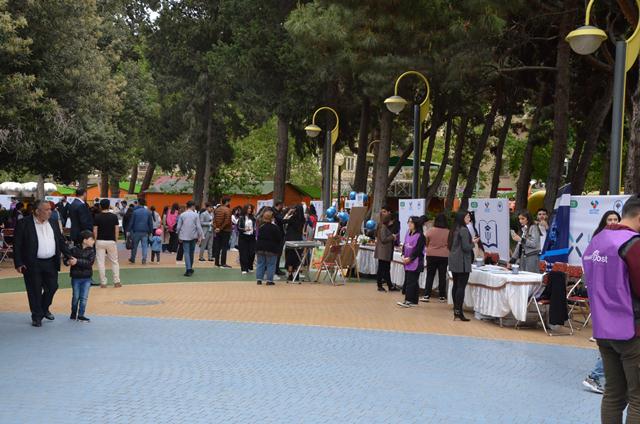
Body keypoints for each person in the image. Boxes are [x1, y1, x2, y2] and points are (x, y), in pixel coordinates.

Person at [582, 195, 640, 422]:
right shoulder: (633, 244)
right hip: (632, 329)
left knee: (614, 394)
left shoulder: (599, 240)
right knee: (637, 398)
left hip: (604, 329)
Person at [13, 199, 73, 327]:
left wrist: (68, 255)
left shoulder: (53, 222)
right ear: (36, 211)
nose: (50, 212)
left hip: (51, 262)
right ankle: (37, 316)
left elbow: (60, 241)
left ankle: (44, 308)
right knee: (34, 290)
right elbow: (17, 244)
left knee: (52, 287)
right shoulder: (24, 223)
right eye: (46, 210)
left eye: (50, 209)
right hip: (32, 263)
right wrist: (18, 262)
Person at [448, 210, 477, 321]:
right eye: (467, 217)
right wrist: (473, 243)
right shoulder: (464, 230)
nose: (469, 219)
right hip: (462, 261)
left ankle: (456, 310)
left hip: (454, 259)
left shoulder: (454, 229)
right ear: (462, 218)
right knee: (461, 286)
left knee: (455, 285)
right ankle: (459, 311)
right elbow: (466, 247)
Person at [65, 230, 95, 322]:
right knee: (76, 297)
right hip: (76, 277)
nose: (93, 241)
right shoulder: (73, 249)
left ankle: (81, 314)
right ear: (84, 240)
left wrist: (76, 261)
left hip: (87, 278)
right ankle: (73, 313)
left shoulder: (92, 251)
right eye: (91, 239)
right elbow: (66, 258)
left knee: (84, 297)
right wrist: (67, 262)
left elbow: (89, 263)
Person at [421, 212, 450, 303]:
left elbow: (426, 242)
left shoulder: (430, 230)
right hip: (444, 255)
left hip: (431, 255)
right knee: (442, 275)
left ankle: (426, 295)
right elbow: (450, 244)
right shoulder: (448, 232)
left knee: (430, 275)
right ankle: (442, 296)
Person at [397, 216, 426, 308]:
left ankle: (408, 300)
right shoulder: (408, 233)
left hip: (416, 262)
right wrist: (402, 255)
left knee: (411, 281)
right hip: (407, 261)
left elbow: (418, 250)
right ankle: (414, 301)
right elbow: (405, 246)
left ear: (416, 224)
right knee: (413, 281)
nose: (409, 224)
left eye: (411, 222)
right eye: (408, 222)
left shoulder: (421, 236)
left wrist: (410, 258)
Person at [93, 199, 121, 288]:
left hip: (100, 241)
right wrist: (115, 240)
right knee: (114, 261)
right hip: (111, 241)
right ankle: (116, 281)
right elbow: (117, 229)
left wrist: (95, 240)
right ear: (109, 206)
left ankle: (103, 282)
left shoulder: (97, 217)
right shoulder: (114, 217)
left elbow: (95, 230)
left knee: (101, 262)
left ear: (100, 206)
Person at [176, 200, 203, 277]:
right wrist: (200, 236)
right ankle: (190, 267)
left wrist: (178, 235)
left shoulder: (182, 215)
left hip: (184, 236)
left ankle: (188, 269)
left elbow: (178, 227)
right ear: (193, 206)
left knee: (186, 252)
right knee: (192, 252)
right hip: (193, 236)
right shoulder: (196, 215)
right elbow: (198, 226)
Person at [255, 210, 282, 286]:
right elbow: (278, 238)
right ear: (272, 218)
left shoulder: (261, 227)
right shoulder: (275, 227)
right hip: (271, 248)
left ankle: (259, 279)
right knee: (271, 264)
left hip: (260, 247)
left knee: (260, 263)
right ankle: (269, 280)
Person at [374, 214, 397, 292]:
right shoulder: (383, 227)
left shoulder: (381, 226)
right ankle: (380, 285)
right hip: (383, 252)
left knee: (385, 269)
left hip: (383, 251)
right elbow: (383, 239)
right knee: (382, 269)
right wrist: (392, 237)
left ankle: (389, 285)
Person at [127, 198, 153, 265]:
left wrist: (128, 230)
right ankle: (144, 259)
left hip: (136, 231)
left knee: (134, 246)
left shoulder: (135, 212)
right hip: (145, 232)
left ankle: (133, 259)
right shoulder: (148, 212)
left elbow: (131, 222)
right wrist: (151, 231)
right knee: (144, 246)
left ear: (138, 203)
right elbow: (150, 223)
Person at [283, 204, 305, 282]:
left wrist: (288, 213)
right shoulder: (303, 219)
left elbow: (283, 221)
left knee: (289, 257)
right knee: (297, 257)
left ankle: (290, 275)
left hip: (290, 239)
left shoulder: (293, 218)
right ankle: (297, 274)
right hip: (298, 239)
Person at [212, 197, 233, 268]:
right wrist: (220, 228)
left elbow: (214, 220)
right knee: (224, 247)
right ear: (227, 202)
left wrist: (216, 228)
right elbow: (227, 221)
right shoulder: (228, 210)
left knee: (217, 246)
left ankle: (216, 263)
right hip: (226, 230)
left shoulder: (216, 209)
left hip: (218, 230)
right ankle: (223, 263)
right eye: (229, 201)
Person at [238, 204, 256, 274]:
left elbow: (255, 226)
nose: (250, 210)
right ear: (245, 209)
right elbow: (238, 227)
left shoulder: (253, 218)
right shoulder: (241, 217)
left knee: (252, 253)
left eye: (251, 208)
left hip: (251, 237)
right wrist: (244, 229)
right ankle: (244, 268)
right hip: (243, 237)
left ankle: (250, 266)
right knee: (243, 253)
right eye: (248, 208)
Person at [273, 201, 286, 275]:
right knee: (278, 252)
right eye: (282, 206)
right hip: (278, 235)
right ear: (279, 205)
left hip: (279, 234)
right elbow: (282, 220)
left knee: (278, 253)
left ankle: (276, 268)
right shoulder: (275, 212)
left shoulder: (277, 212)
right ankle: (276, 269)